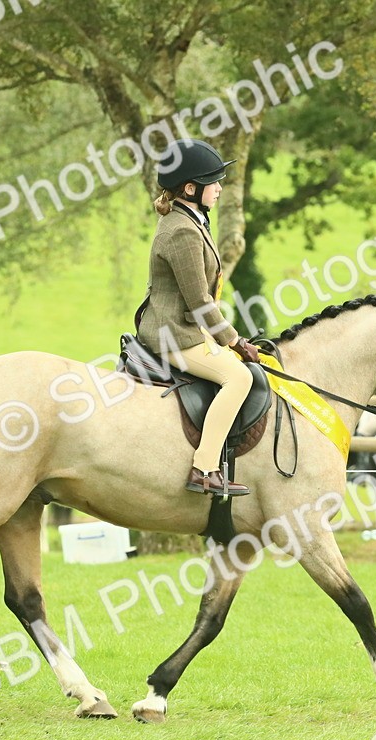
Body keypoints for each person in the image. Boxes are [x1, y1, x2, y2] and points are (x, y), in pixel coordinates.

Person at [135, 138, 261, 497]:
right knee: (238, 378)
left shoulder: (192, 220)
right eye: (214, 182)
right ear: (191, 189)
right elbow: (200, 303)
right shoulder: (182, 231)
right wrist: (235, 341)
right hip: (173, 334)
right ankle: (204, 468)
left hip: (185, 328)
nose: (220, 188)